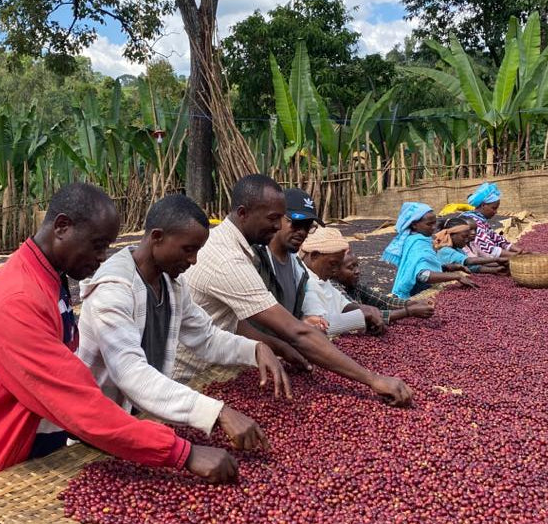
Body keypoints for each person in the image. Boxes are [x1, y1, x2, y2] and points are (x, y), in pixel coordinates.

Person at [0, 185, 239, 522]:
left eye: (107, 247)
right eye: (98, 246)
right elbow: (79, 403)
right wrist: (184, 453)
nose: (102, 258)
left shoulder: (49, 277)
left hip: (29, 456)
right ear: (62, 227)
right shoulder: (18, 302)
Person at [70, 194, 290, 452]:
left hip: (142, 420)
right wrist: (216, 412)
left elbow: (206, 337)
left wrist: (255, 349)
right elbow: (130, 373)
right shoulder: (114, 290)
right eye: (188, 249)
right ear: (157, 237)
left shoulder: (170, 284)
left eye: (197, 251)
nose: (194, 260)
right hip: (96, 431)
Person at [175, 174, 414, 407]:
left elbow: (232, 320)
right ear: (243, 213)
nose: (279, 225)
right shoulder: (229, 260)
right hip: (187, 377)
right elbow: (296, 333)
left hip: (219, 365)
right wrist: (373, 380)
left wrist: (280, 348)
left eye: (282, 218)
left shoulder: (252, 253)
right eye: (273, 218)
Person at [252, 188, 355, 334]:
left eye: (307, 226)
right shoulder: (255, 260)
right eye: (296, 223)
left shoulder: (299, 269)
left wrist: (308, 320)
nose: (302, 232)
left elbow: (308, 314)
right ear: (276, 218)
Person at [298, 227, 388, 335]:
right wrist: (361, 316)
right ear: (314, 256)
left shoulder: (322, 279)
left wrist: (366, 309)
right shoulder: (304, 281)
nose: (335, 270)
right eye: (332, 264)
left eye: (339, 265)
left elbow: (342, 304)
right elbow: (320, 326)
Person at [381, 202, 478, 299]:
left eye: (434, 222)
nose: (434, 227)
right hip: (413, 295)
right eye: (429, 224)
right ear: (414, 225)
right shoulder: (418, 243)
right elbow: (423, 275)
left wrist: (446, 267)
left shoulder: (415, 239)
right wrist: (457, 276)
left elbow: (416, 267)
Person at [334, 249, 435, 321]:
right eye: (351, 268)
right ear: (334, 271)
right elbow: (363, 315)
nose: (358, 271)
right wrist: (409, 311)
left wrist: (414, 303)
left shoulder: (354, 286)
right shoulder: (334, 289)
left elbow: (384, 302)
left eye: (357, 266)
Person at [461, 182, 525, 257]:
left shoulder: (481, 219)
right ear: (483, 205)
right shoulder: (474, 221)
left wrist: (517, 250)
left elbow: (496, 238)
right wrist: (516, 256)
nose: (496, 212)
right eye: (493, 208)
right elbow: (489, 249)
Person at [434, 216, 507, 274]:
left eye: (467, 237)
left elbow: (472, 267)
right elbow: (469, 261)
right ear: (451, 235)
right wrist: (498, 259)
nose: (466, 240)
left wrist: (495, 270)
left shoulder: (459, 249)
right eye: (464, 236)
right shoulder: (445, 251)